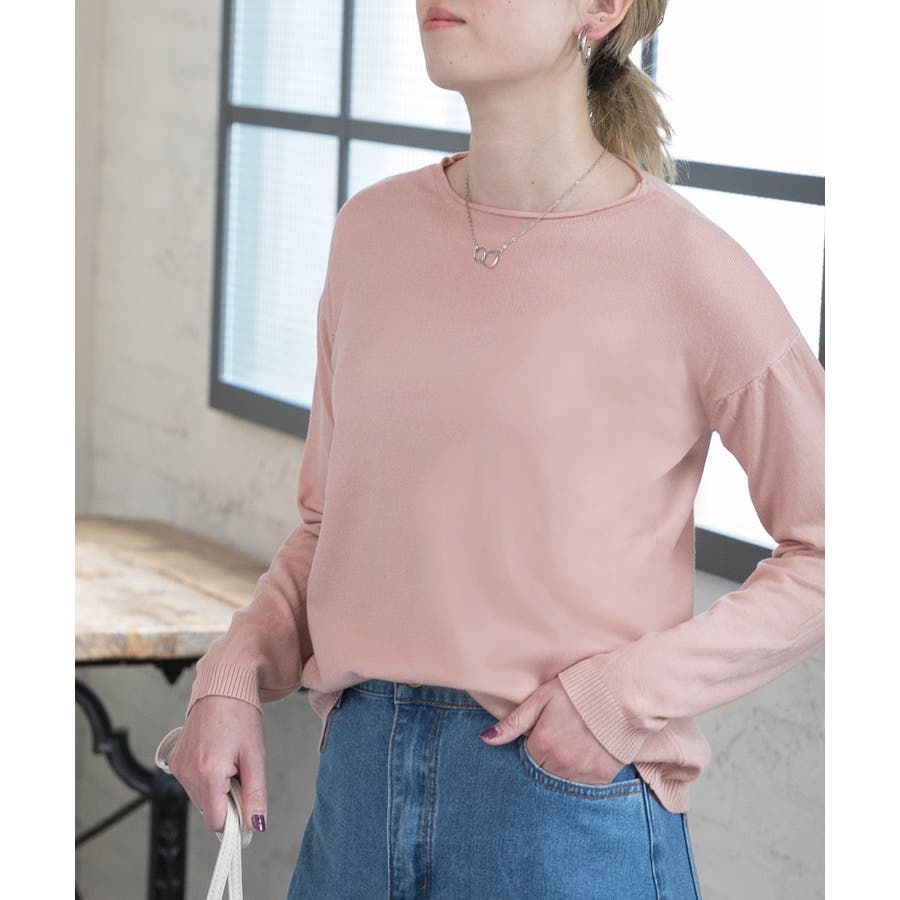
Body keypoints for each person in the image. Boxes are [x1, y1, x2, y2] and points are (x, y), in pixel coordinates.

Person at [167, 1, 824, 897]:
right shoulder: (371, 233)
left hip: (562, 816)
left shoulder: (687, 265)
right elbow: (329, 526)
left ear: (601, 9)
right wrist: (233, 669)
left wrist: (619, 698)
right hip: (356, 799)